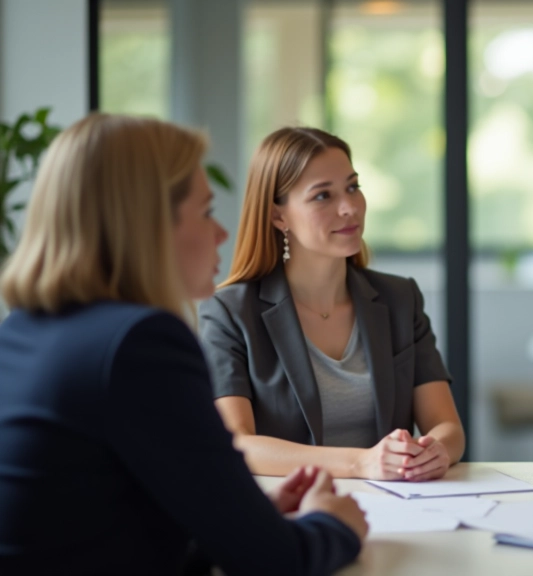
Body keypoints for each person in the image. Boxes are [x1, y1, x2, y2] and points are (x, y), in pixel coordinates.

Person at [0, 114, 367, 575]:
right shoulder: (138, 344)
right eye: (207, 211)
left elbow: (99, 524)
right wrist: (335, 524)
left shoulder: (22, 330)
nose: (221, 233)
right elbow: (275, 562)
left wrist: (250, 516)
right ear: (147, 223)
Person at [200, 127, 464, 481]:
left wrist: (436, 451)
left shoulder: (400, 299)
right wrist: (360, 463)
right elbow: (238, 442)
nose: (349, 208)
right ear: (279, 216)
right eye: (323, 196)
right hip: (290, 511)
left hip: (398, 505)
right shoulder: (229, 312)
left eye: (353, 187)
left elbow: (447, 425)